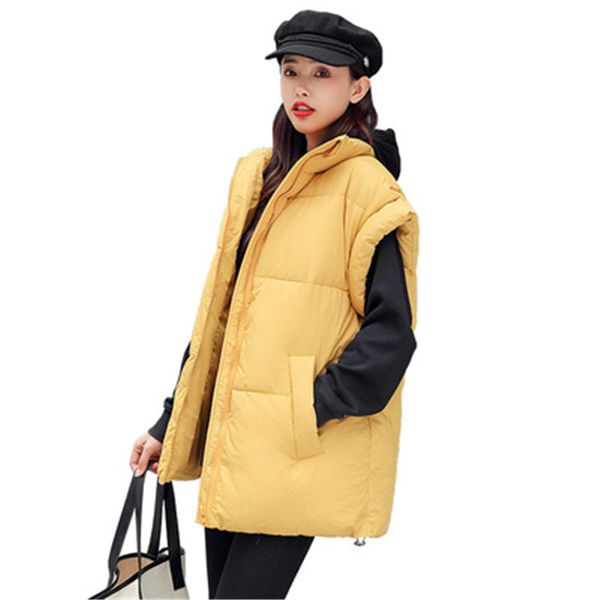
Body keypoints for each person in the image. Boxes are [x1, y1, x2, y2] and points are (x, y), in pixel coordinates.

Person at [130, 9, 419, 599]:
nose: (302, 88)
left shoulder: (370, 190)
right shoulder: (259, 178)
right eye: (291, 71)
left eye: (322, 73)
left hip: (291, 450)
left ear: (358, 87)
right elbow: (222, 319)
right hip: (234, 444)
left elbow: (391, 335)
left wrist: (306, 408)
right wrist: (171, 420)